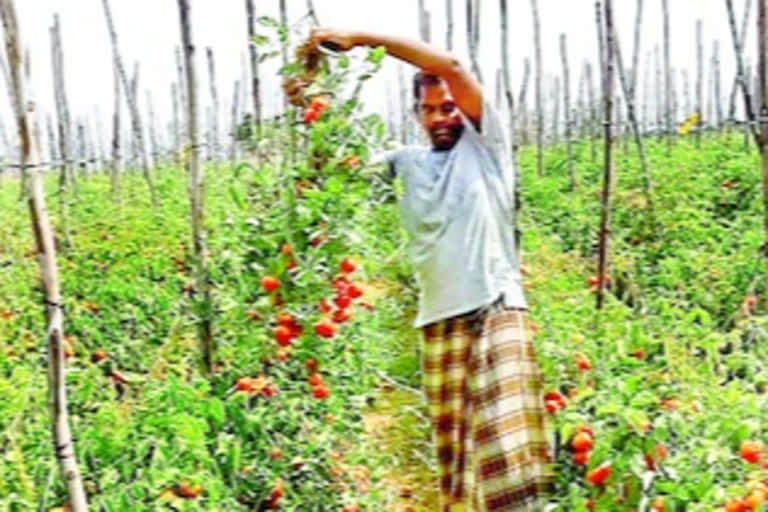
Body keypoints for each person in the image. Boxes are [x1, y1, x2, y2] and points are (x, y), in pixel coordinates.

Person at [307, 28, 556, 512]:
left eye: (448, 107)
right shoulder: (405, 162)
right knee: (457, 460)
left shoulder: (486, 148)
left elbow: (454, 68)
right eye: (430, 109)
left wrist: (359, 39)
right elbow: (335, 176)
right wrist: (313, 105)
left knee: (507, 448)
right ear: (417, 115)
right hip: (438, 321)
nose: (441, 117)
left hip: (496, 308)